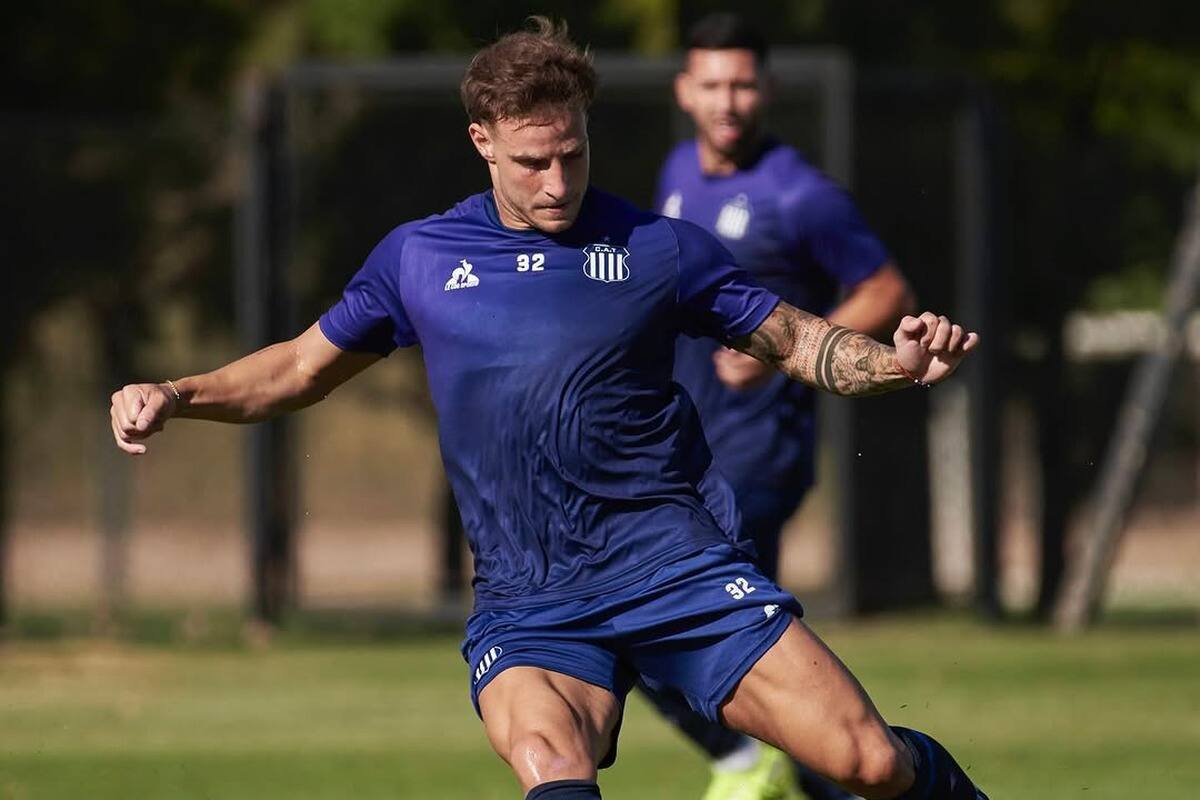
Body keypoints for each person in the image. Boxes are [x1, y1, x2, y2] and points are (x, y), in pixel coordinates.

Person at [109, 18, 986, 800]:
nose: (558, 179)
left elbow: (801, 343)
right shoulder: (418, 258)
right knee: (548, 761)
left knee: (868, 764)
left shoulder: (658, 246)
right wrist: (179, 393)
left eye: (573, 153)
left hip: (672, 567)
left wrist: (896, 363)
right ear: (482, 142)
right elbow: (298, 369)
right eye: (533, 161)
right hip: (532, 597)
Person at [643, 14, 915, 800]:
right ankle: (760, 763)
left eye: (743, 83)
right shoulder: (677, 172)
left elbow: (888, 291)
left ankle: (754, 763)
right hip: (684, 451)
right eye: (713, 84)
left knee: (721, 647)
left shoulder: (799, 194)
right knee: (718, 653)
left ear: (768, 89)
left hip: (758, 457)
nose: (728, 101)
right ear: (685, 90)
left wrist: (778, 353)